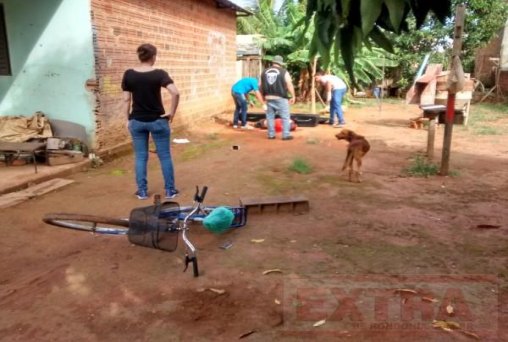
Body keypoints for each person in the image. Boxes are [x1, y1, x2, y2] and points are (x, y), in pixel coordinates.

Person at [121, 43, 180, 200]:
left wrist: (126, 119)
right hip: (158, 121)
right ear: (153, 57)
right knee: (165, 156)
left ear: (139, 56)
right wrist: (171, 113)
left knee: (140, 157)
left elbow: (126, 99)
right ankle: (170, 190)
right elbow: (175, 93)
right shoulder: (159, 74)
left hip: (137, 121)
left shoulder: (129, 74)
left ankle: (142, 192)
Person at [260, 55, 296, 140]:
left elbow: (260, 86)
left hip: (268, 97)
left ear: (273, 62)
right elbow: (289, 84)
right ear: (280, 63)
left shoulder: (264, 72)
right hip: (280, 97)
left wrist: (263, 97)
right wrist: (293, 96)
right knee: (285, 116)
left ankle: (271, 135)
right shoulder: (284, 72)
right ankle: (286, 135)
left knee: (270, 117)